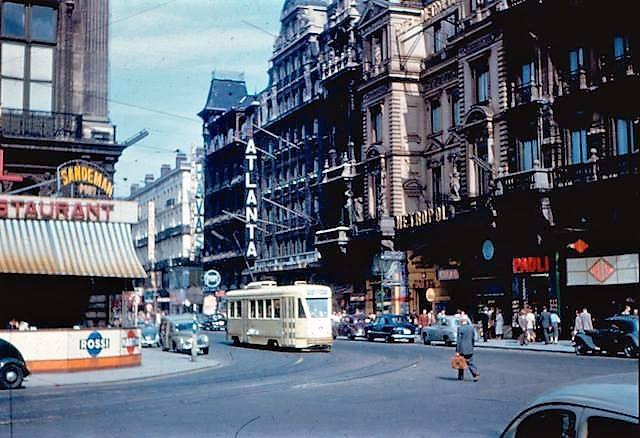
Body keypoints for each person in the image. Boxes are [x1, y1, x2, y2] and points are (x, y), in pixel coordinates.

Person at [455, 316, 479, 382]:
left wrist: (457, 350)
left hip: (462, 348)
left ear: (462, 321)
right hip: (469, 348)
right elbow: (473, 338)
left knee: (460, 362)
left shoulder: (460, 328)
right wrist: (472, 346)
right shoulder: (471, 328)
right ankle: (475, 373)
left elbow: (459, 340)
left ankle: (461, 376)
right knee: (470, 362)